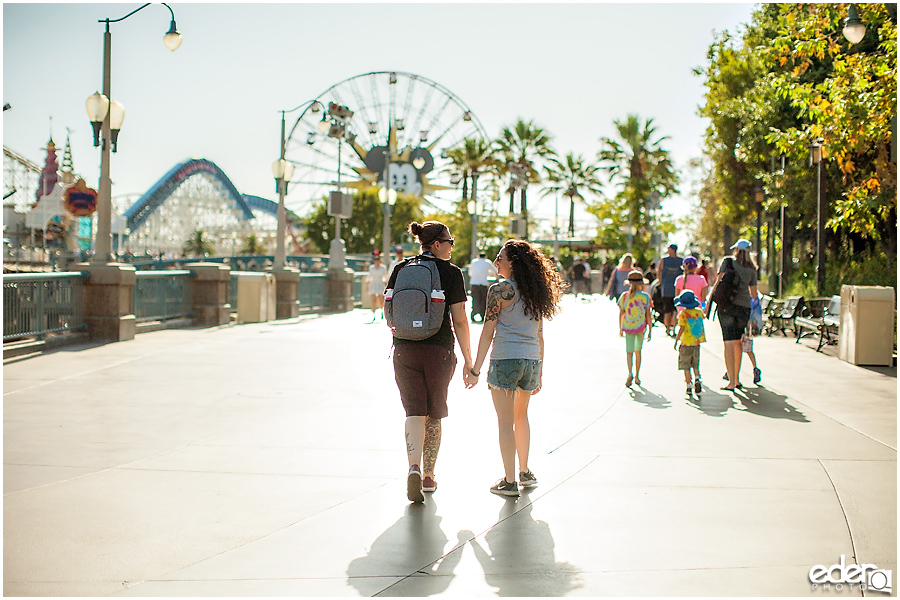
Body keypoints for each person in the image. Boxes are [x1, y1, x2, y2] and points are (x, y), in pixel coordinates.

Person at [465, 240, 564, 497]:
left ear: (513, 262)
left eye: (501, 257)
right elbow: (540, 334)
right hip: (531, 360)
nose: (496, 262)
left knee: (505, 422)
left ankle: (509, 482)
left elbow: (488, 332)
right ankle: (524, 471)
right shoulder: (536, 292)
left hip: (506, 359)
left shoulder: (500, 291)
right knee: (522, 417)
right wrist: (540, 369)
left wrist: (475, 369)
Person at [387, 221, 474, 502]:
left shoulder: (400, 269)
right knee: (434, 413)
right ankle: (428, 474)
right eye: (449, 241)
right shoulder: (451, 273)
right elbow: (460, 320)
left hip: (404, 349)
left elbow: (389, 309)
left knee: (414, 411)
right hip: (438, 350)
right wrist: (468, 360)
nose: (451, 246)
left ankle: (412, 465)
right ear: (436, 244)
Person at [705, 239, 758, 392]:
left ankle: (731, 382)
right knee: (738, 343)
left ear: (736, 250)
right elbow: (753, 294)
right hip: (744, 308)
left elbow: (717, 282)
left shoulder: (728, 262)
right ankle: (737, 379)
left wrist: (709, 303)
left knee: (728, 343)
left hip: (727, 306)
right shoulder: (752, 269)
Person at [617, 270, 653, 387]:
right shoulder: (645, 297)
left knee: (629, 352)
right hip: (640, 327)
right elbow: (648, 315)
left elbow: (621, 313)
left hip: (628, 327)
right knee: (638, 351)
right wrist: (650, 330)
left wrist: (620, 328)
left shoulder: (624, 296)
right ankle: (637, 376)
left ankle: (629, 372)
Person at [673, 290, 706, 397]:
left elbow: (682, 328)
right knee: (695, 364)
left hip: (685, 343)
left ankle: (688, 385)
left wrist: (677, 340)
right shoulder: (699, 312)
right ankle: (697, 378)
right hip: (696, 343)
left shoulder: (683, 314)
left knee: (686, 365)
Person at [657, 243, 683, 337]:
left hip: (667, 288)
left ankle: (668, 328)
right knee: (675, 310)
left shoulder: (664, 260)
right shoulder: (680, 261)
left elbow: (659, 271)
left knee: (668, 310)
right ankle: (672, 328)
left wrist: (660, 282)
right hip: (676, 289)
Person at [468, 252, 498, 322]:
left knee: (475, 299)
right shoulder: (487, 262)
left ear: (478, 256)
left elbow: (470, 273)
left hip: (474, 283)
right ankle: (482, 315)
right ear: (485, 256)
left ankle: (473, 314)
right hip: (483, 283)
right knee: (483, 300)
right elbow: (495, 271)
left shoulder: (474, 262)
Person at [367, 253, 388, 321]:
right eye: (375, 259)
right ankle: (373, 314)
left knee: (380, 299)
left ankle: (381, 311)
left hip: (380, 284)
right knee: (373, 300)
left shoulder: (383, 268)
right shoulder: (371, 268)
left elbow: (385, 277)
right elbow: (369, 277)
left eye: (378, 259)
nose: (376, 261)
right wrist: (367, 286)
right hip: (373, 284)